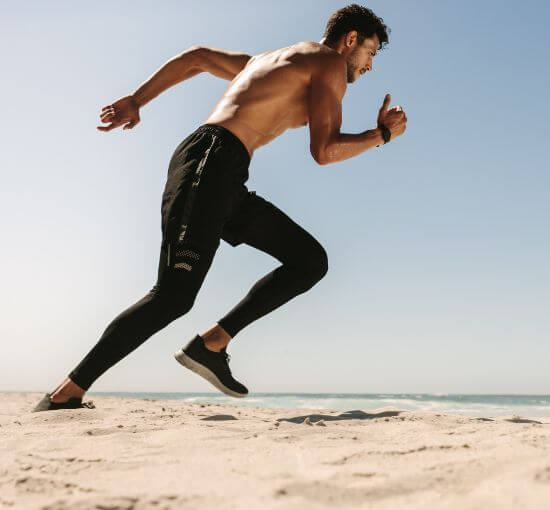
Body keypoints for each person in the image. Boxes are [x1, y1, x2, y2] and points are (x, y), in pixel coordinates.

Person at [33, 3, 406, 412]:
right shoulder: (329, 64)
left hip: (223, 171)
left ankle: (212, 344)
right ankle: (65, 393)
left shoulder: (266, 61)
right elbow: (324, 150)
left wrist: (138, 99)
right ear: (350, 40)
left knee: (309, 260)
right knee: (172, 296)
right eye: (370, 53)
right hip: (212, 161)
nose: (368, 66)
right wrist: (381, 135)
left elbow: (197, 58)